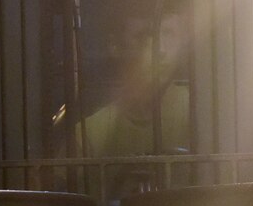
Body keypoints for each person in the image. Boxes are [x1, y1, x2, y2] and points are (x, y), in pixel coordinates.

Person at [76, 10, 190, 159]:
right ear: (115, 45)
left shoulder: (201, 113)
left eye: (169, 34)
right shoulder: (88, 135)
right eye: (143, 37)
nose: (160, 50)